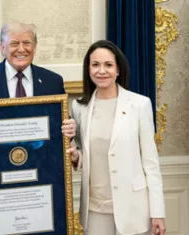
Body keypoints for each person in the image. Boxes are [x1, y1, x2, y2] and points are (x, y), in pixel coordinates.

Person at [67, 40, 166, 235]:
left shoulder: (139, 104)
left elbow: (151, 163)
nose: (101, 71)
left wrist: (158, 212)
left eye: (108, 65)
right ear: (88, 69)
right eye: (95, 65)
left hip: (134, 208)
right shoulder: (78, 107)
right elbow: (83, 152)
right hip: (94, 210)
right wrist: (75, 157)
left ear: (118, 69)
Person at [0, 21, 75, 150]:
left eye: (27, 43)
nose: (21, 49)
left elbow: (62, 124)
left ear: (35, 47)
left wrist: (70, 129)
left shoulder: (53, 81)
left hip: (41, 163)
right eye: (14, 43)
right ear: (2, 47)